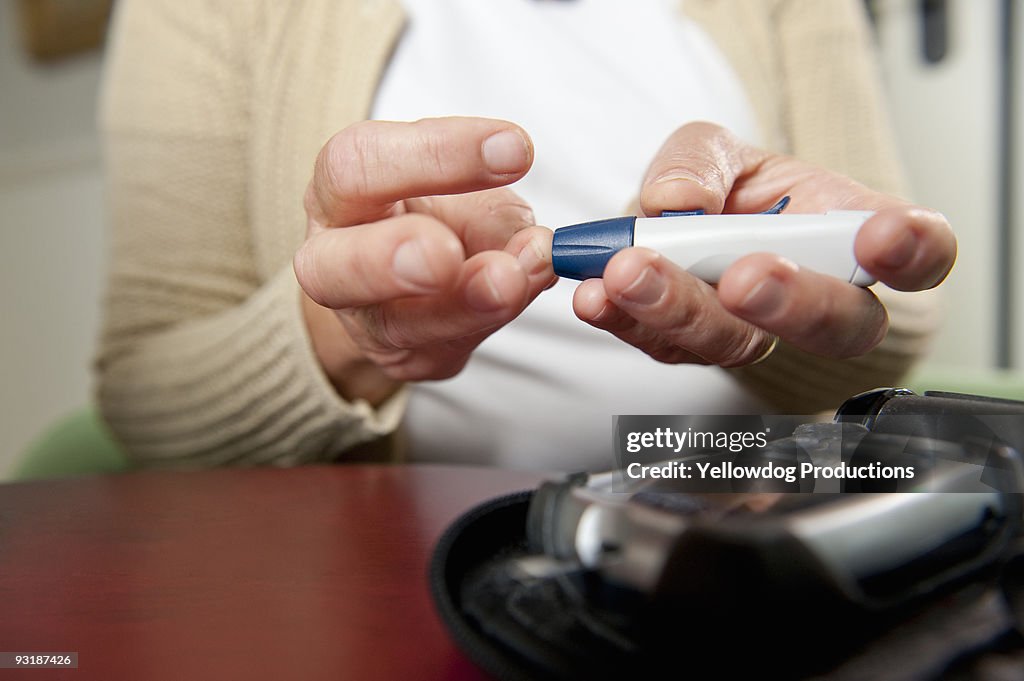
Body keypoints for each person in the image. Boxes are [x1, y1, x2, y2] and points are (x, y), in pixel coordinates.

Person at [95, 0, 955, 470]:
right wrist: (350, 337)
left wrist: (791, 311)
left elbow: (890, 305)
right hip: (413, 567)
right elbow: (148, 397)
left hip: (748, 513)